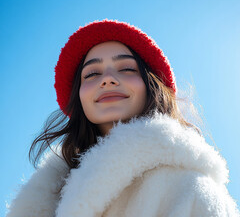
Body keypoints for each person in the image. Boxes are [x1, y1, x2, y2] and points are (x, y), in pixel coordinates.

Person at [6, 19, 239, 217]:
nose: (107, 79)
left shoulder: (190, 191)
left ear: (151, 87)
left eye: (127, 69)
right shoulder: (44, 200)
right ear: (79, 97)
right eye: (92, 73)